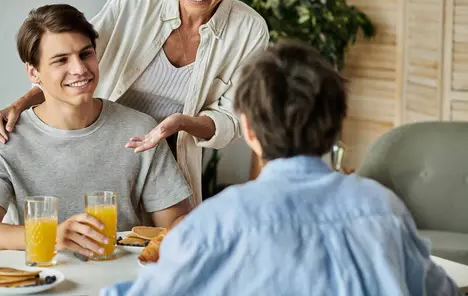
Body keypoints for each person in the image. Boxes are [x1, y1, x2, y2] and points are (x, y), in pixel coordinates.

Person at [100, 40, 462, 296]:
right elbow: (439, 290)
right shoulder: (384, 209)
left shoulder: (217, 222)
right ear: (337, 124)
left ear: (249, 130)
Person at [0, 0, 270, 205]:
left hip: (165, 165)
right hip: (98, 150)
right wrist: (18, 105)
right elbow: (74, 62)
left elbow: (232, 120)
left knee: (159, 246)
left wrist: (180, 123)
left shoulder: (249, 31)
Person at [0, 4, 191, 258]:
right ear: (33, 72)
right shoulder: (6, 138)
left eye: (85, 54)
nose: (80, 69)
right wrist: (52, 235)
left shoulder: (140, 129)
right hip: (43, 282)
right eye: (61, 60)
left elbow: (176, 226)